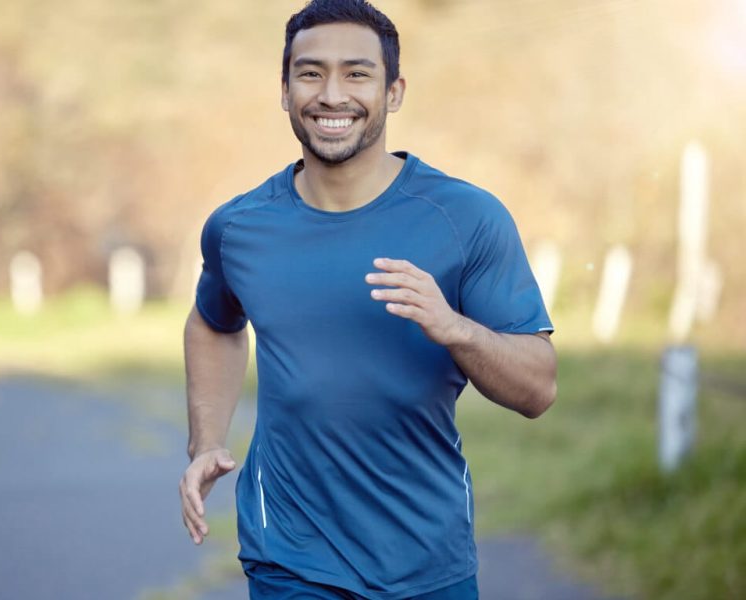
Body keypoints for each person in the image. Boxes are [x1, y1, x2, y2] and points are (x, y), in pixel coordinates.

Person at [178, 0, 557, 598]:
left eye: (357, 73)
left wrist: (454, 327)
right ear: (284, 90)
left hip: (426, 558)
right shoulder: (238, 227)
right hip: (288, 555)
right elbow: (214, 323)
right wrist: (207, 443)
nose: (332, 95)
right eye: (310, 73)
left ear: (394, 90)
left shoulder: (466, 218)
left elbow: (538, 389)